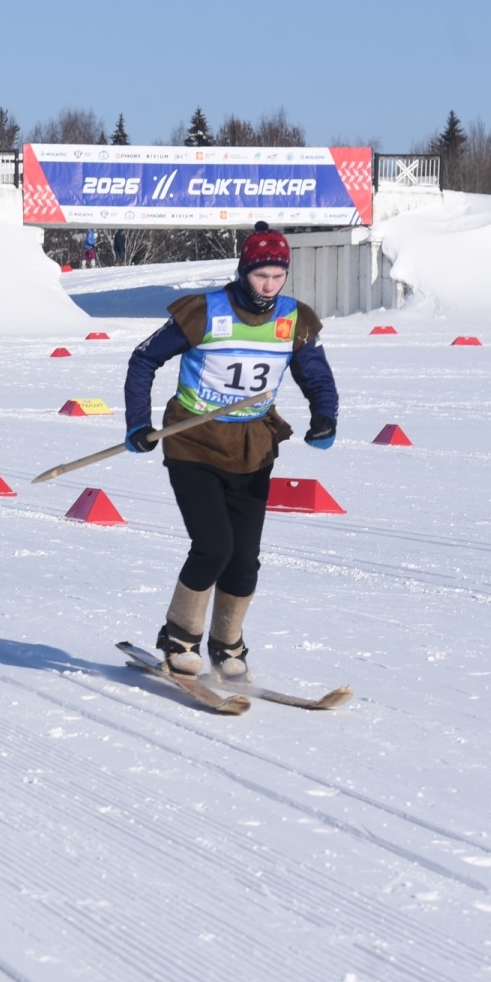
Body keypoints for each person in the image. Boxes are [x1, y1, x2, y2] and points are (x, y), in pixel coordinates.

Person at [121, 224, 338, 685]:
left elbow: (314, 373)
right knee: (214, 546)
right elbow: (143, 360)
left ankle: (227, 644)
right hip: (192, 441)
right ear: (244, 269)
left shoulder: (294, 320)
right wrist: (138, 422)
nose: (269, 285)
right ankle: (180, 640)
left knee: (244, 559)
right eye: (262, 274)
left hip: (253, 447)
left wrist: (325, 416)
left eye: (279, 275)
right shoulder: (204, 311)